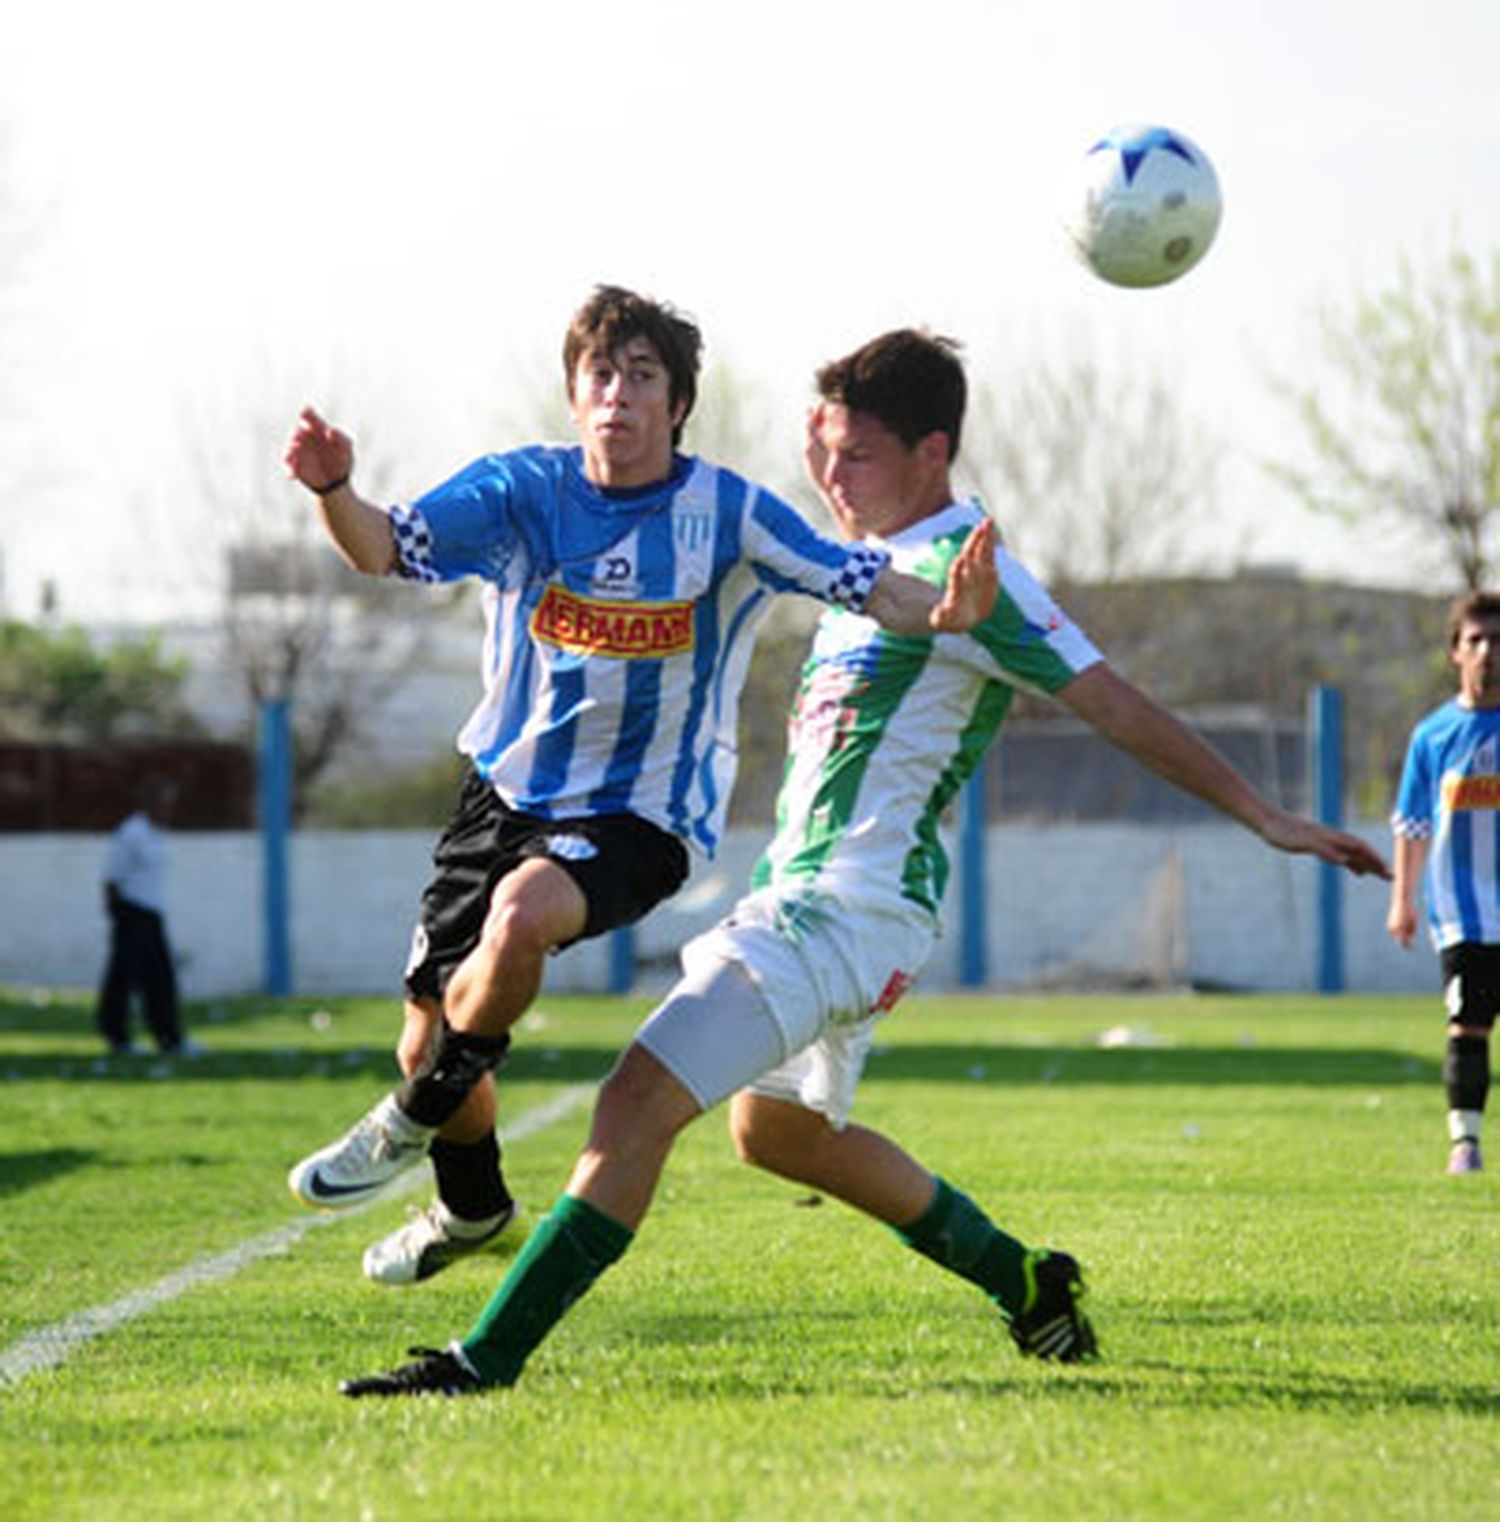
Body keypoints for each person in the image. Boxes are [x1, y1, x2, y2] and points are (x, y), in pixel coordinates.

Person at [338, 328, 1391, 1397]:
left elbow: (1114, 704)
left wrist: (1267, 815)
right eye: (821, 450)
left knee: (635, 1102)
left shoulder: (970, 579)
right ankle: (1026, 1281)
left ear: (932, 454)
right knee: (778, 1132)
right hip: (838, 910)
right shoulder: (871, 577)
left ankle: (482, 1362)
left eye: (856, 457)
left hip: (843, 913)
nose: (830, 476)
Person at [282, 287, 997, 1286]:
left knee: (524, 915)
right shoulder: (521, 492)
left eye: (643, 377)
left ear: (677, 404)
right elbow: (381, 545)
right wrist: (334, 489)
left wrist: (949, 611)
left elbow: (862, 580)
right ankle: (471, 1202)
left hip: (644, 814)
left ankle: (415, 1113)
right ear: (575, 399)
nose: (618, 393)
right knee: (427, 1029)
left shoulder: (729, 513)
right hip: (503, 794)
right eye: (600, 376)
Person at [1387, 591, 1500, 1175]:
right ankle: (1466, 1144)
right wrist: (1401, 900)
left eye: (1497, 641)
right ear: (1456, 652)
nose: (1488, 652)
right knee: (1469, 1025)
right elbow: (1412, 822)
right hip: (1463, 910)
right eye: (1475, 640)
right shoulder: (1433, 735)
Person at [96, 775, 186, 1055]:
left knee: (160, 979)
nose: (168, 808)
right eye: (163, 801)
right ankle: (117, 1037)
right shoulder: (132, 833)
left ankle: (168, 1037)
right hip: (132, 912)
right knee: (123, 978)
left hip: (152, 913)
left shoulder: (157, 833)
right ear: (148, 801)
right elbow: (111, 879)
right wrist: (119, 916)